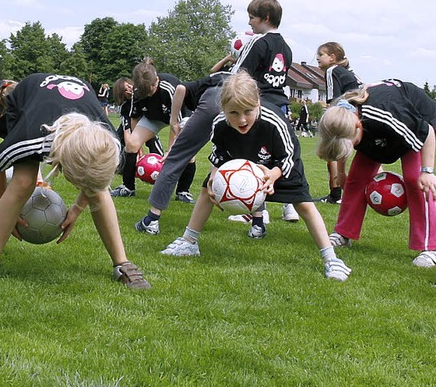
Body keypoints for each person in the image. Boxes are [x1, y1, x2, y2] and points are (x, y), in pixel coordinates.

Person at [161, 72, 352, 281]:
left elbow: (289, 156)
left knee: (304, 205)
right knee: (207, 191)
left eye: (248, 111)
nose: (241, 119)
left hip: (279, 163)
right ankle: (189, 242)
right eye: (233, 112)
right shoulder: (220, 124)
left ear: (258, 103)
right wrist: (214, 180)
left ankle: (331, 259)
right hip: (242, 158)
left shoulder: (274, 121)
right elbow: (218, 155)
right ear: (223, 109)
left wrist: (273, 174)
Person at [0, 73, 151, 290]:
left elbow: (95, 183)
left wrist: (76, 209)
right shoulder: (30, 139)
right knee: (23, 181)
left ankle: (122, 263)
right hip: (27, 99)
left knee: (99, 191)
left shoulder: (110, 144)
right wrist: (9, 211)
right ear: (62, 161)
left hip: (77, 101)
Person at [316, 79, 436, 268]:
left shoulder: (385, 115)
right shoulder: (340, 116)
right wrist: (341, 173)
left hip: (416, 121)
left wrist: (427, 172)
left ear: (357, 126)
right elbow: (341, 144)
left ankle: (430, 247)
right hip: (375, 130)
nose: (352, 147)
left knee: (416, 180)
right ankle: (344, 233)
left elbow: (427, 131)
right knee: (356, 179)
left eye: (352, 143)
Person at [228, 0, 299, 224]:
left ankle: (257, 210)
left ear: (265, 18)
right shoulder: (286, 48)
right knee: (282, 155)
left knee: (253, 156)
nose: (249, 23)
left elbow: (237, 75)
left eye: (252, 18)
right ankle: (290, 207)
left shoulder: (258, 43)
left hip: (259, 107)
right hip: (280, 106)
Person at [134, 71, 231, 235]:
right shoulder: (240, 77)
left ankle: (151, 220)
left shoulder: (211, 79)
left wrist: (173, 121)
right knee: (248, 159)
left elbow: (180, 89)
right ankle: (258, 221)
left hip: (214, 103)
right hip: (245, 105)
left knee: (175, 160)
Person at [110, 58, 186, 199]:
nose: (149, 94)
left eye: (150, 90)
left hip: (176, 118)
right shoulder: (137, 91)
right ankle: (128, 188)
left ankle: (183, 192)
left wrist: (170, 149)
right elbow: (134, 117)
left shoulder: (168, 88)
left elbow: (175, 123)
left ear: (156, 80)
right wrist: (138, 147)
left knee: (187, 153)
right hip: (151, 117)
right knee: (131, 144)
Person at [314, 41, 363, 204]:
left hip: (350, 115)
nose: (317, 58)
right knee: (366, 151)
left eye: (321, 54)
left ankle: (335, 194)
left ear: (332, 58)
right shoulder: (347, 72)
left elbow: (333, 101)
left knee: (332, 147)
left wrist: (329, 123)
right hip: (362, 114)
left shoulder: (332, 71)